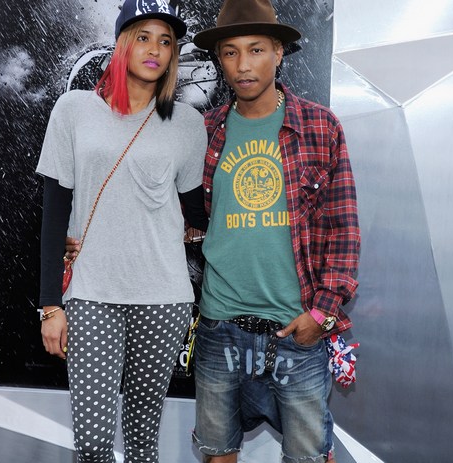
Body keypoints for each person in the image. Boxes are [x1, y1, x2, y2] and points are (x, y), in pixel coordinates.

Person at [189, 0, 361, 462]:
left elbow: (344, 231)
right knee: (217, 453)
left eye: (256, 49)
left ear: (279, 51)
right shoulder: (205, 131)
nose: (243, 65)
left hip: (295, 328)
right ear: (219, 59)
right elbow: (178, 211)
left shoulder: (320, 126)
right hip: (220, 325)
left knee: (307, 456)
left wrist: (322, 313)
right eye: (230, 52)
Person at [36, 0, 207, 461]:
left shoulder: (187, 124)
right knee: (92, 444)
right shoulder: (74, 110)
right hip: (92, 295)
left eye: (166, 41)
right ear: (121, 43)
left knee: (142, 440)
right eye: (143, 37)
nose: (155, 49)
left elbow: (197, 213)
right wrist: (50, 306)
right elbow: (54, 214)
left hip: (165, 298)